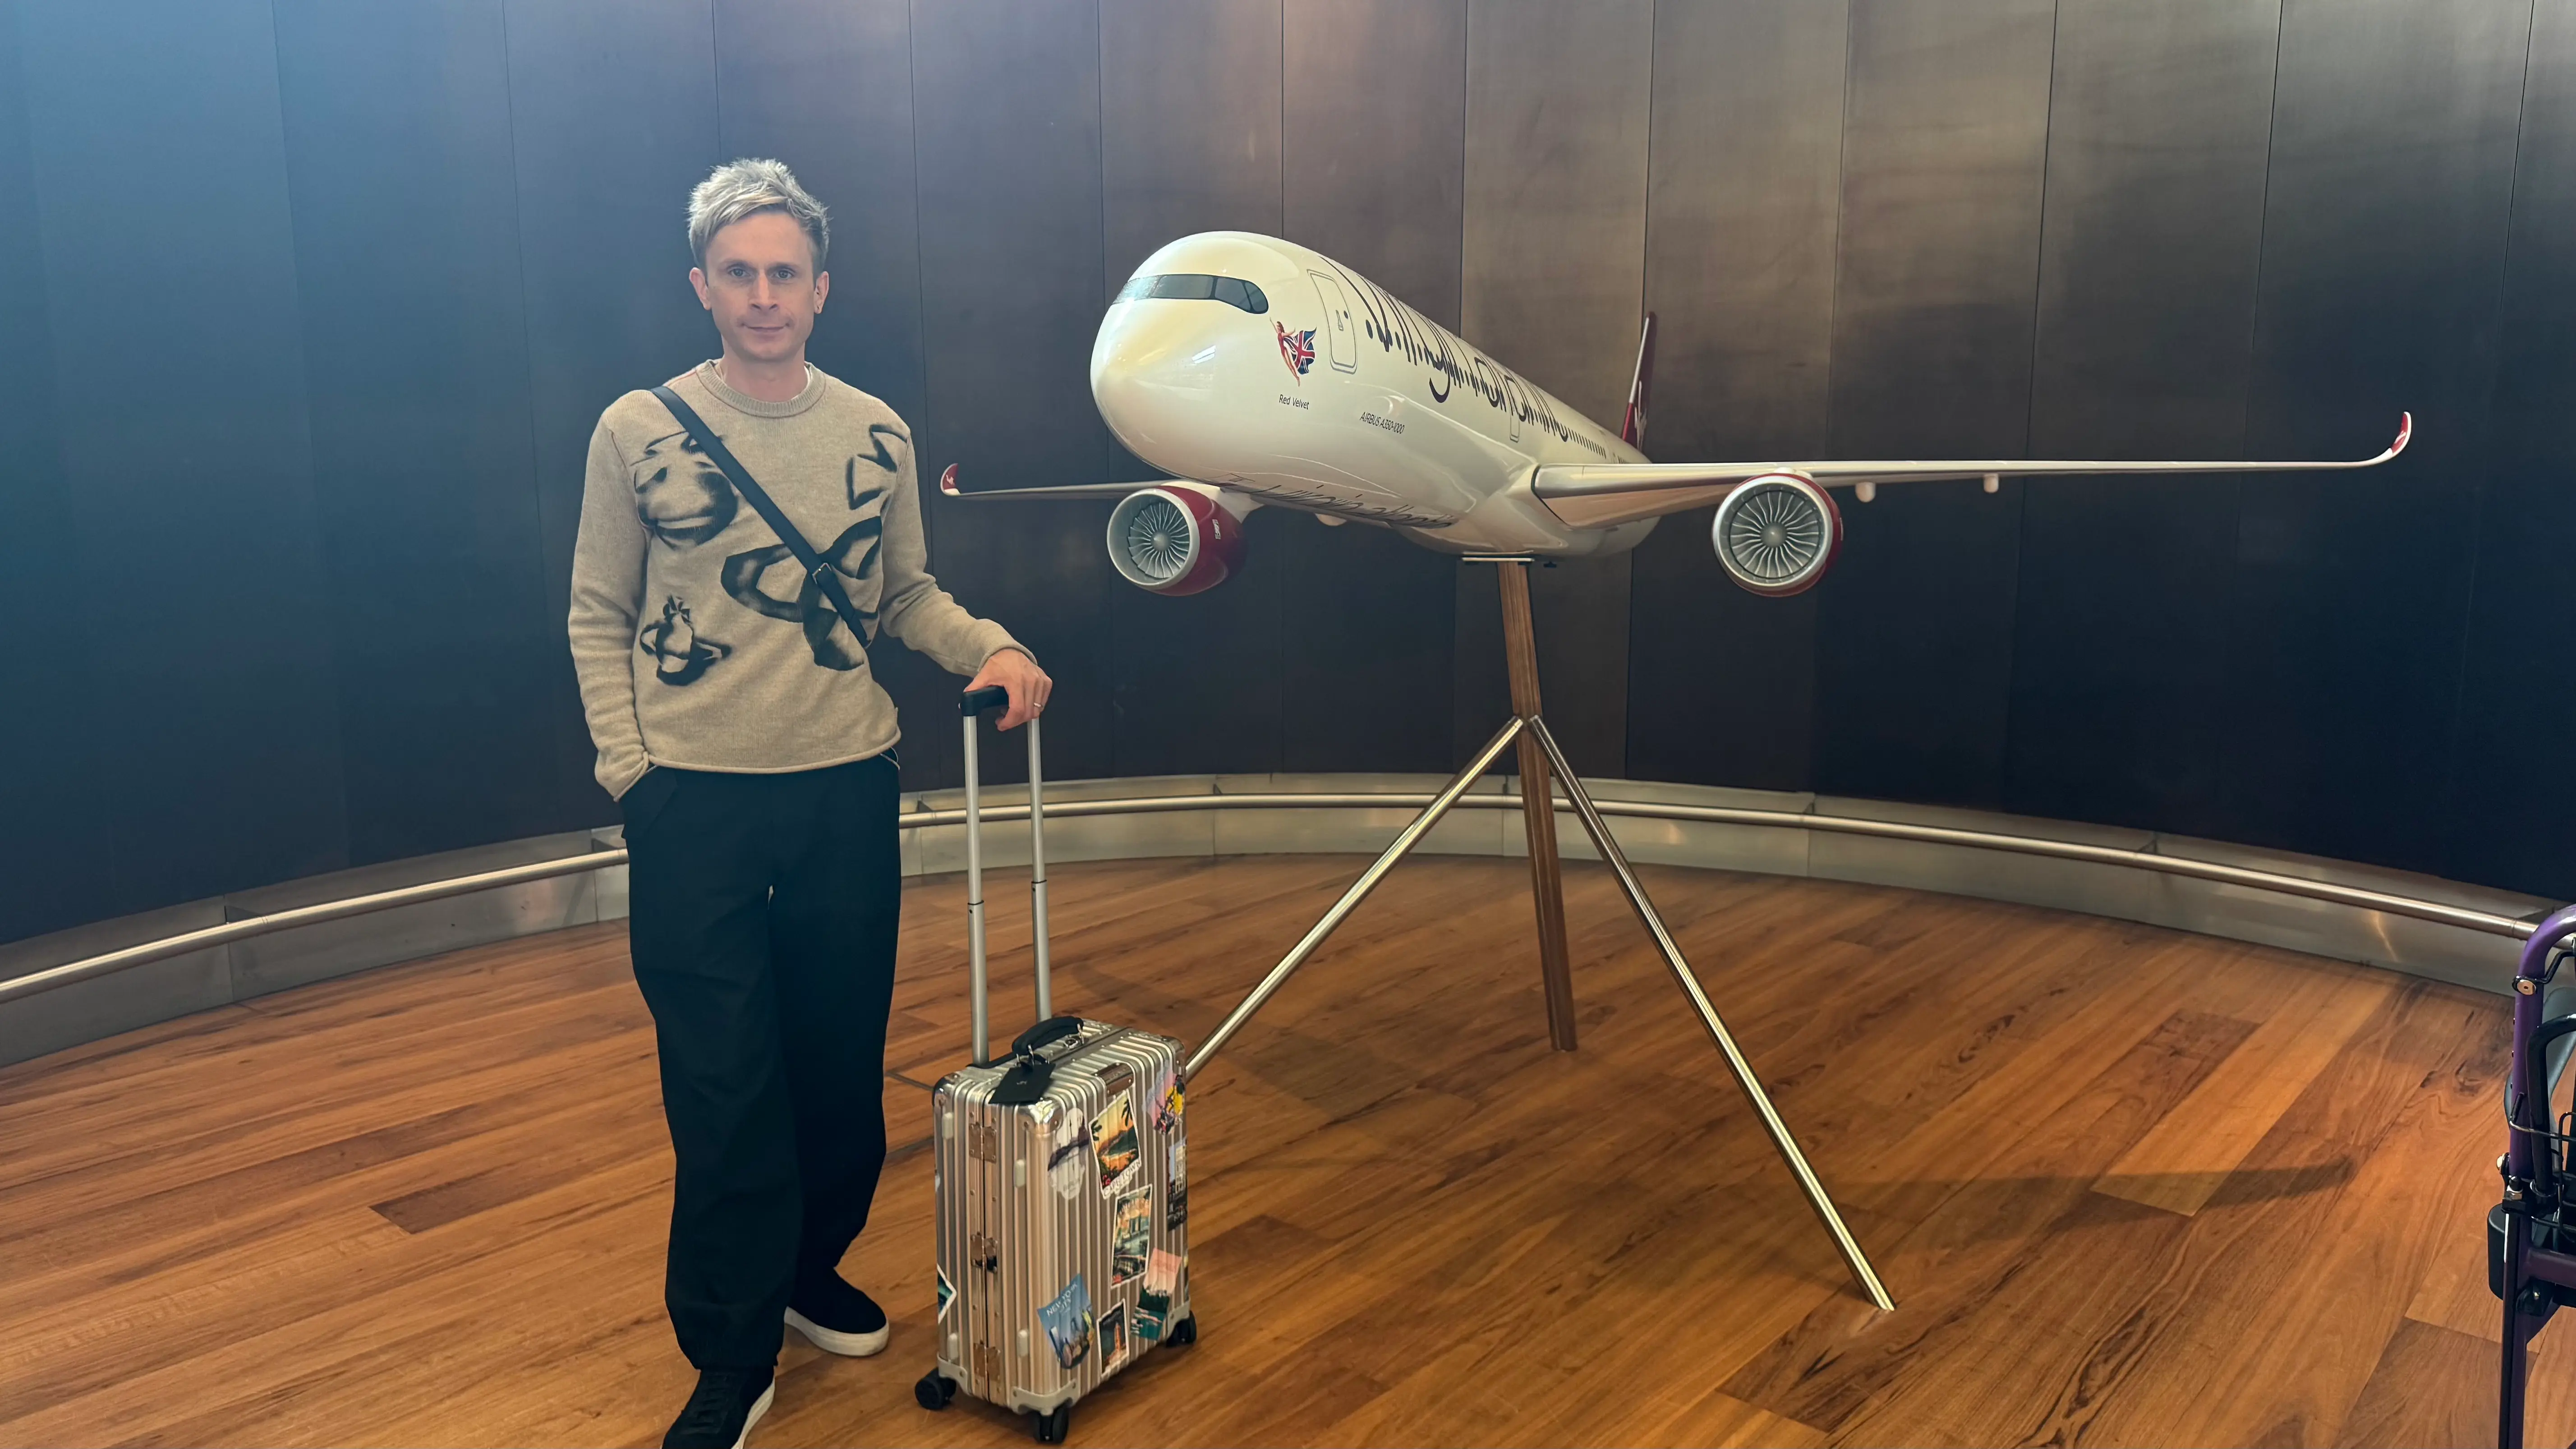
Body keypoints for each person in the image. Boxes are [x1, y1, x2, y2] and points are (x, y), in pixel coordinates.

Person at [567, 157, 1050, 1449]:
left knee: (840, 1068)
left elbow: (903, 596)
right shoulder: (638, 429)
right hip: (696, 804)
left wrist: (988, 645)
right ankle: (730, 1349)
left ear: (822, 289)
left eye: (787, 272)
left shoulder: (877, 431)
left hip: (844, 786)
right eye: (741, 272)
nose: (765, 294)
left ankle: (802, 1269)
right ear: (703, 286)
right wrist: (635, 772)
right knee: (723, 1079)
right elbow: (599, 612)